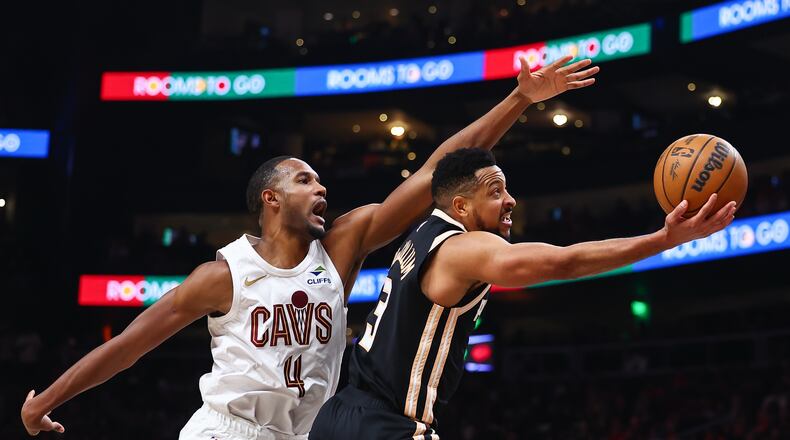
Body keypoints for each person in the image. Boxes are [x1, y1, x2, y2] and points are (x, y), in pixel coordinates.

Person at [21, 55, 599, 439]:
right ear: (270, 198)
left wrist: (520, 100)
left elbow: (437, 172)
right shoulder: (222, 275)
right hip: (227, 431)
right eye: (304, 180)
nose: (321, 186)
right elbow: (127, 346)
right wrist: (44, 399)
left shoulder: (344, 245)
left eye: (321, 180)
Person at [310, 148, 737, 440]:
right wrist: (664, 239)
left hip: (338, 416)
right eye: (496, 192)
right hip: (385, 424)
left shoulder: (420, 234)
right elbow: (563, 262)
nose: (510, 201)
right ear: (460, 206)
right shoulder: (462, 248)